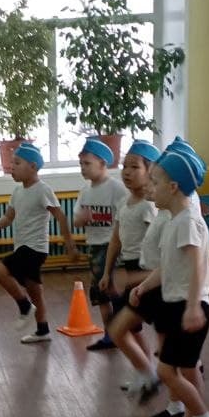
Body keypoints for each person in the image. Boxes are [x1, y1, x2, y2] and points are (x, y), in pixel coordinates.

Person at [129, 141, 209, 417]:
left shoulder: (188, 222)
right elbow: (168, 267)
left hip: (188, 307)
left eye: (155, 182)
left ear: (174, 187)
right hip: (176, 303)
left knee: (169, 371)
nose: (150, 188)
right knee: (182, 367)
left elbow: (197, 267)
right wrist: (143, 286)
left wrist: (193, 306)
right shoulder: (176, 221)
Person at [0, 143, 78, 343]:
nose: (12, 166)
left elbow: (60, 216)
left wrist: (69, 244)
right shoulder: (17, 192)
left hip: (35, 248)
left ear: (33, 167)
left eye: (17, 163)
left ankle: (24, 306)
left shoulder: (42, 189)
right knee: (34, 290)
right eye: (11, 163)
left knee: (0, 271)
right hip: (23, 247)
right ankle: (43, 330)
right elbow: (9, 217)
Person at [99, 141, 161, 397]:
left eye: (134, 167)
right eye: (125, 166)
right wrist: (107, 271)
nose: (126, 171)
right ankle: (145, 371)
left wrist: (137, 277)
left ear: (151, 171)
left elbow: (161, 247)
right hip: (129, 268)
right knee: (130, 329)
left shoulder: (150, 206)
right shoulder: (125, 203)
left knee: (122, 327)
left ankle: (152, 375)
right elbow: (116, 238)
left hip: (148, 273)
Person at [73, 137, 128, 350]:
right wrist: (82, 218)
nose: (83, 168)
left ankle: (124, 330)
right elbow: (76, 220)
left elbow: (126, 219)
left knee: (114, 290)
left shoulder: (117, 189)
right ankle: (110, 335)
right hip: (94, 248)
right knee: (100, 295)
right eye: (81, 164)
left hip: (113, 246)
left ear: (103, 164)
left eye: (87, 163)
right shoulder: (85, 191)